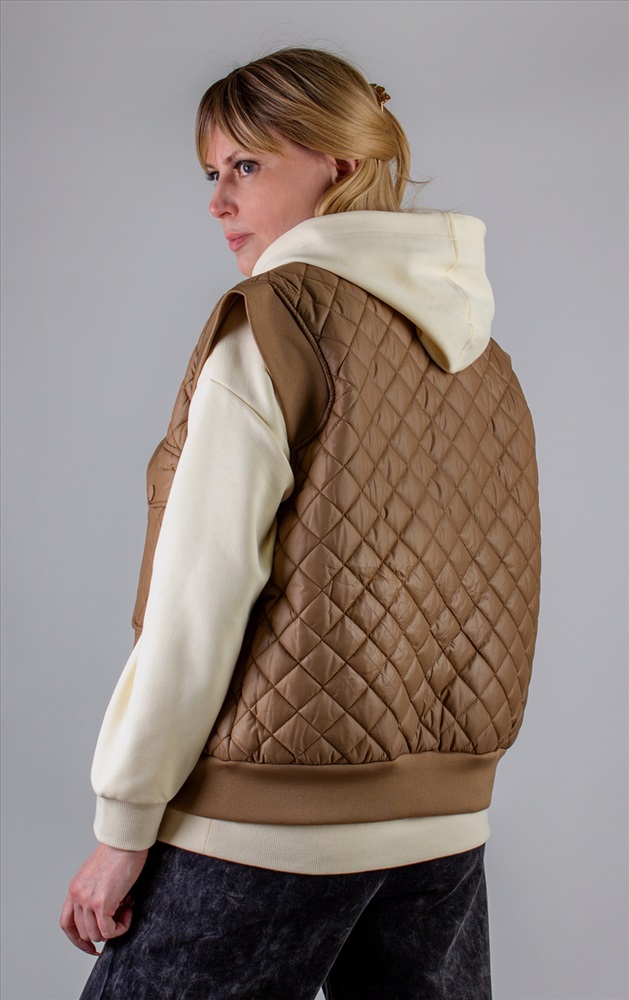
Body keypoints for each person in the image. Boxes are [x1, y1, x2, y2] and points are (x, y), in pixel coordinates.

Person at [60, 47, 541, 999]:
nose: (218, 202)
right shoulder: (483, 359)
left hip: (268, 830)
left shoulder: (274, 322)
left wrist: (123, 827)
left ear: (339, 163)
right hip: (444, 831)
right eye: (212, 172)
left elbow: (199, 605)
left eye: (246, 166)